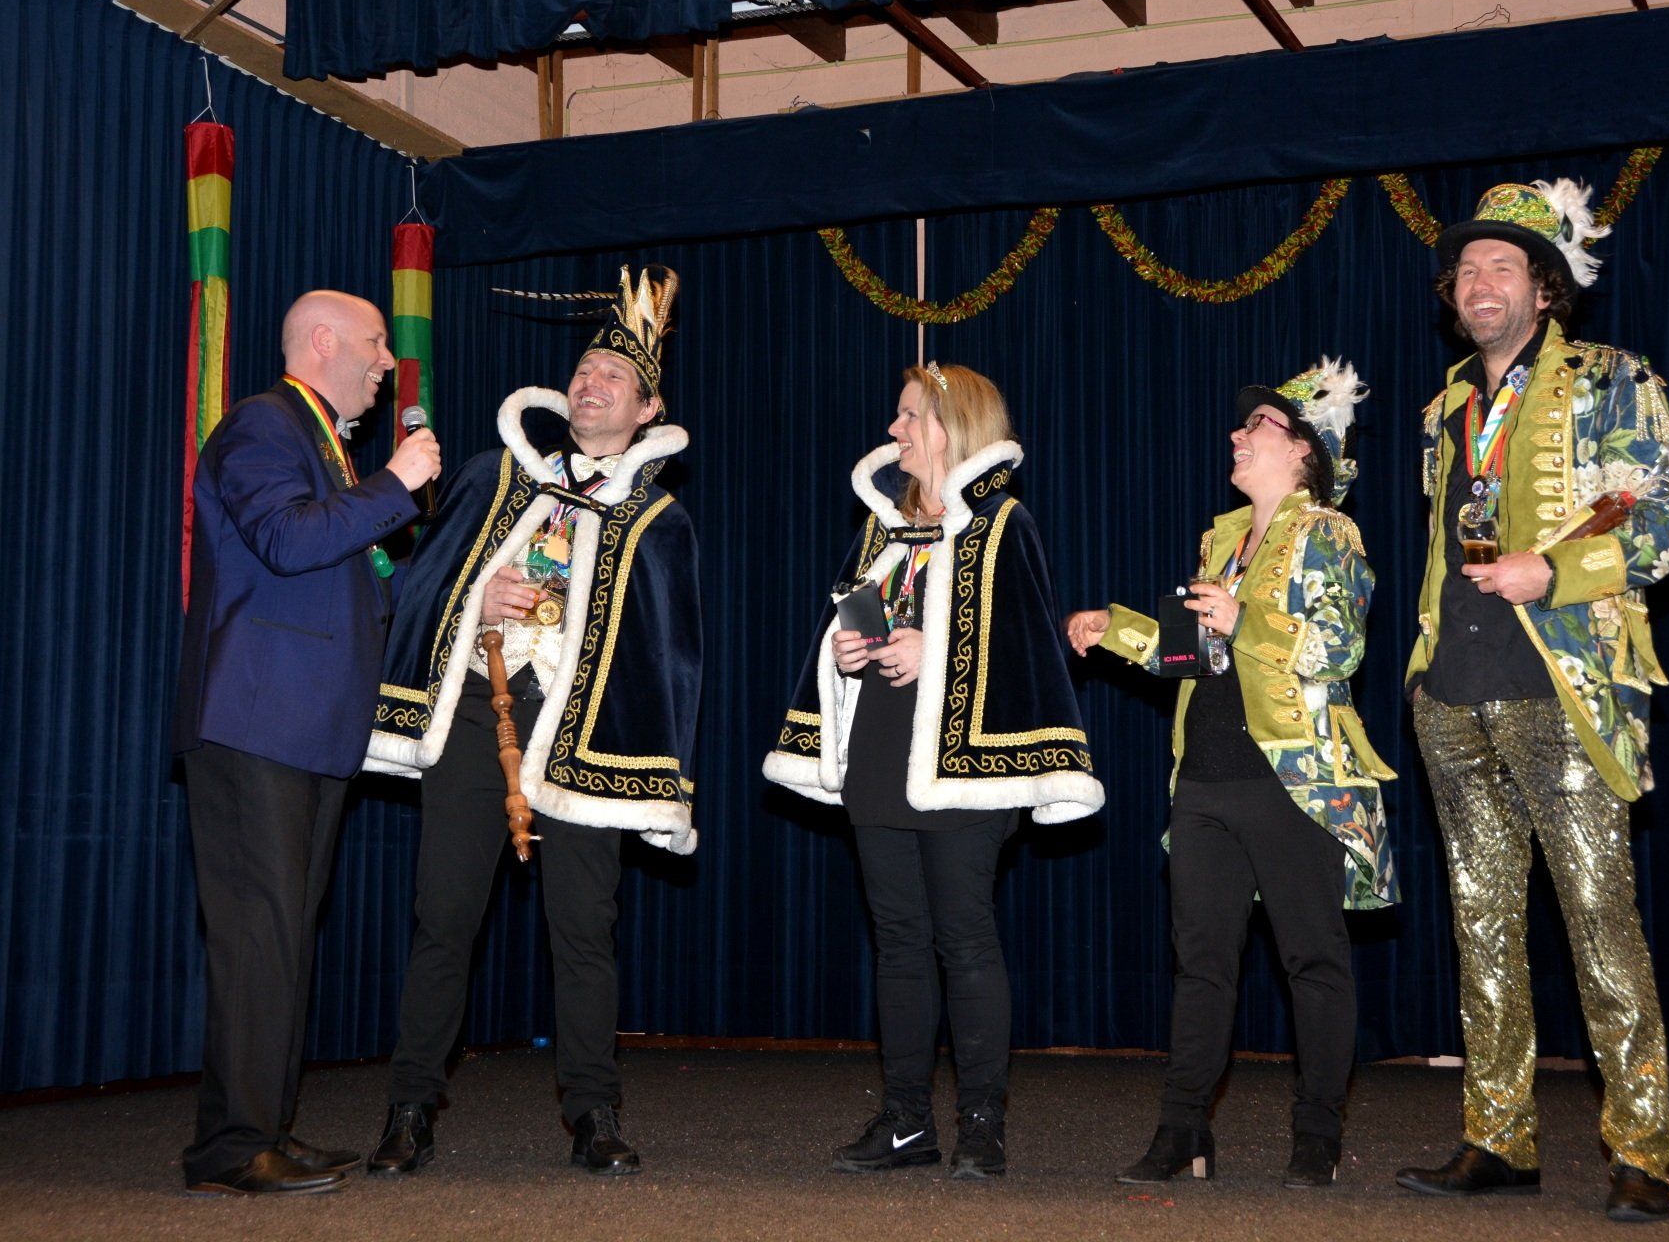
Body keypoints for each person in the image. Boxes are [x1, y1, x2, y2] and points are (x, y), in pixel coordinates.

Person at [1392, 180, 1669, 1224]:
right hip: (1452, 695)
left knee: (1599, 920)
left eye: (1503, 266)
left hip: (1561, 688)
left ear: (1546, 287)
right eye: (1467, 270)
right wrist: (1422, 674)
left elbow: (1668, 524)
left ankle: (1643, 1149)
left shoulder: (1612, 379)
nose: (1481, 283)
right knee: (1480, 925)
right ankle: (1498, 1137)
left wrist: (1554, 573)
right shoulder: (1444, 408)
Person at [362, 266, 700, 1177]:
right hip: (481, 710)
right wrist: (476, 598)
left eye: (613, 376)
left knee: (584, 925)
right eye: (584, 368)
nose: (590, 382)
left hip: (581, 729)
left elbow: (667, 654)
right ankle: (409, 1107)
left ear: (647, 408)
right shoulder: (494, 477)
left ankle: (593, 1111)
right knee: (444, 914)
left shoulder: (655, 519)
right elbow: (424, 588)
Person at [764, 362, 1102, 1180]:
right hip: (880, 755)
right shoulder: (882, 527)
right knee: (899, 944)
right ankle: (906, 1121)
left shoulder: (1001, 524)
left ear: (954, 427)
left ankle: (982, 1123)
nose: (895, 430)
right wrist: (846, 651)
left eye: (910, 416)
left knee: (965, 937)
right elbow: (853, 620)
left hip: (965, 763)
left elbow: (1027, 647)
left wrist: (937, 651)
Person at [1066, 359, 1397, 1189]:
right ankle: (1182, 1129)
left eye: (1256, 427)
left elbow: (1341, 649)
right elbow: (1194, 653)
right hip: (1207, 778)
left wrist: (1246, 616)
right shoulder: (1222, 539)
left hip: (1296, 779)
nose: (1237, 435)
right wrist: (1117, 628)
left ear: (1303, 450)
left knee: (1312, 961)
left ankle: (1317, 1135)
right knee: (1201, 964)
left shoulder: (1330, 534)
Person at [172, 290, 441, 1195]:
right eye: (376, 343)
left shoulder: (328, 445)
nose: (387, 363)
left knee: (283, 938)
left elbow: (356, 574)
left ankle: (264, 1129)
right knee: (260, 936)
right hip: (255, 721)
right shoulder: (263, 424)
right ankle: (230, 1147)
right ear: (323, 341)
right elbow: (287, 541)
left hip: (307, 727)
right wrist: (394, 483)